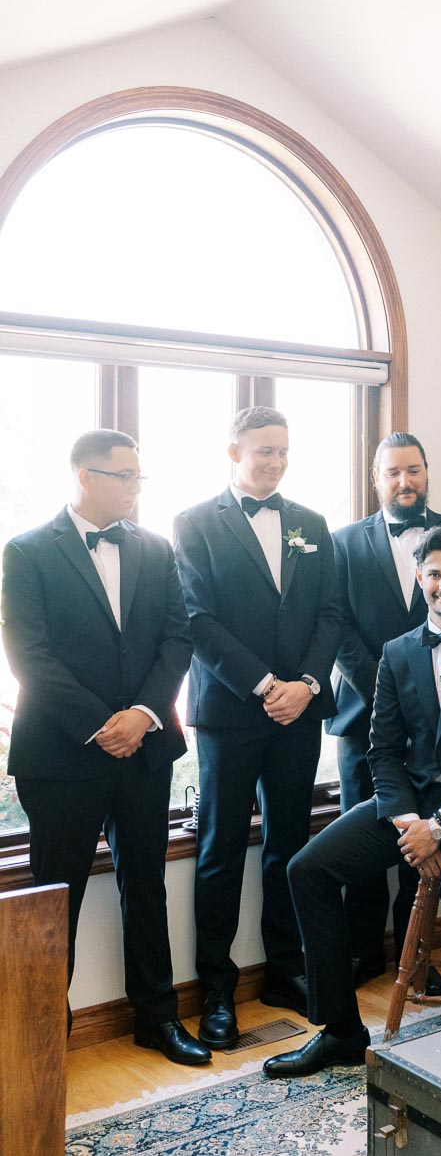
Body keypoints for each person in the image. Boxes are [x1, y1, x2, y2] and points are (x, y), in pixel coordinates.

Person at [263, 525, 441, 1077]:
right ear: (419, 577)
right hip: (413, 802)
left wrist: (440, 824)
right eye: (434, 574)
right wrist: (412, 821)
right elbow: (381, 750)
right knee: (306, 869)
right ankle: (340, 1030)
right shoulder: (397, 652)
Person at [1, 430, 209, 1065]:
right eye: (123, 476)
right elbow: (28, 655)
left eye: (139, 477)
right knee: (55, 894)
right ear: (84, 477)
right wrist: (101, 724)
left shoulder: (155, 548)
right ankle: (41, 1036)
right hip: (62, 757)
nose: (134, 489)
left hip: (144, 751)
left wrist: (143, 716)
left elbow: (178, 638)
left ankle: (157, 1019)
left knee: (146, 886)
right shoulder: (28, 550)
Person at [173, 406, 341, 1049]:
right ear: (233, 450)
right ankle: (216, 988)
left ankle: (285, 969)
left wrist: (304, 685)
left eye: (283, 451)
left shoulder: (311, 523)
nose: (274, 462)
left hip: (299, 712)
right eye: (264, 450)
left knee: (290, 845)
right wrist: (266, 685)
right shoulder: (193, 524)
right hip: (230, 715)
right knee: (218, 851)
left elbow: (329, 613)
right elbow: (198, 620)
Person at [329, 431, 441, 986]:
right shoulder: (342, 542)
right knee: (371, 833)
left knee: (426, 836)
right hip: (363, 718)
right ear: (376, 478)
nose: (406, 481)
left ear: (428, 473)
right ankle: (360, 953)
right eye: (394, 472)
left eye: (415, 470)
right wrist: (387, 692)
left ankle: (418, 956)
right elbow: (337, 626)